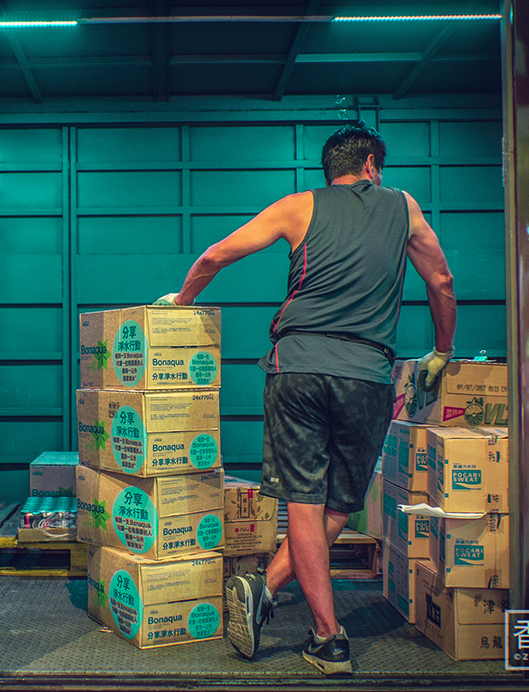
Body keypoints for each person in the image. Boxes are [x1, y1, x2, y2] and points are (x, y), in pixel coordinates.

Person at [154, 121, 456, 674]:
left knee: (309, 505)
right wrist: (441, 351)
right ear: (370, 165)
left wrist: (182, 298)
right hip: (367, 373)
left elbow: (215, 257)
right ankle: (321, 629)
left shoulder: (298, 206)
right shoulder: (403, 206)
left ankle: (273, 597)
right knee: (339, 506)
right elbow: (441, 281)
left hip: (297, 368)